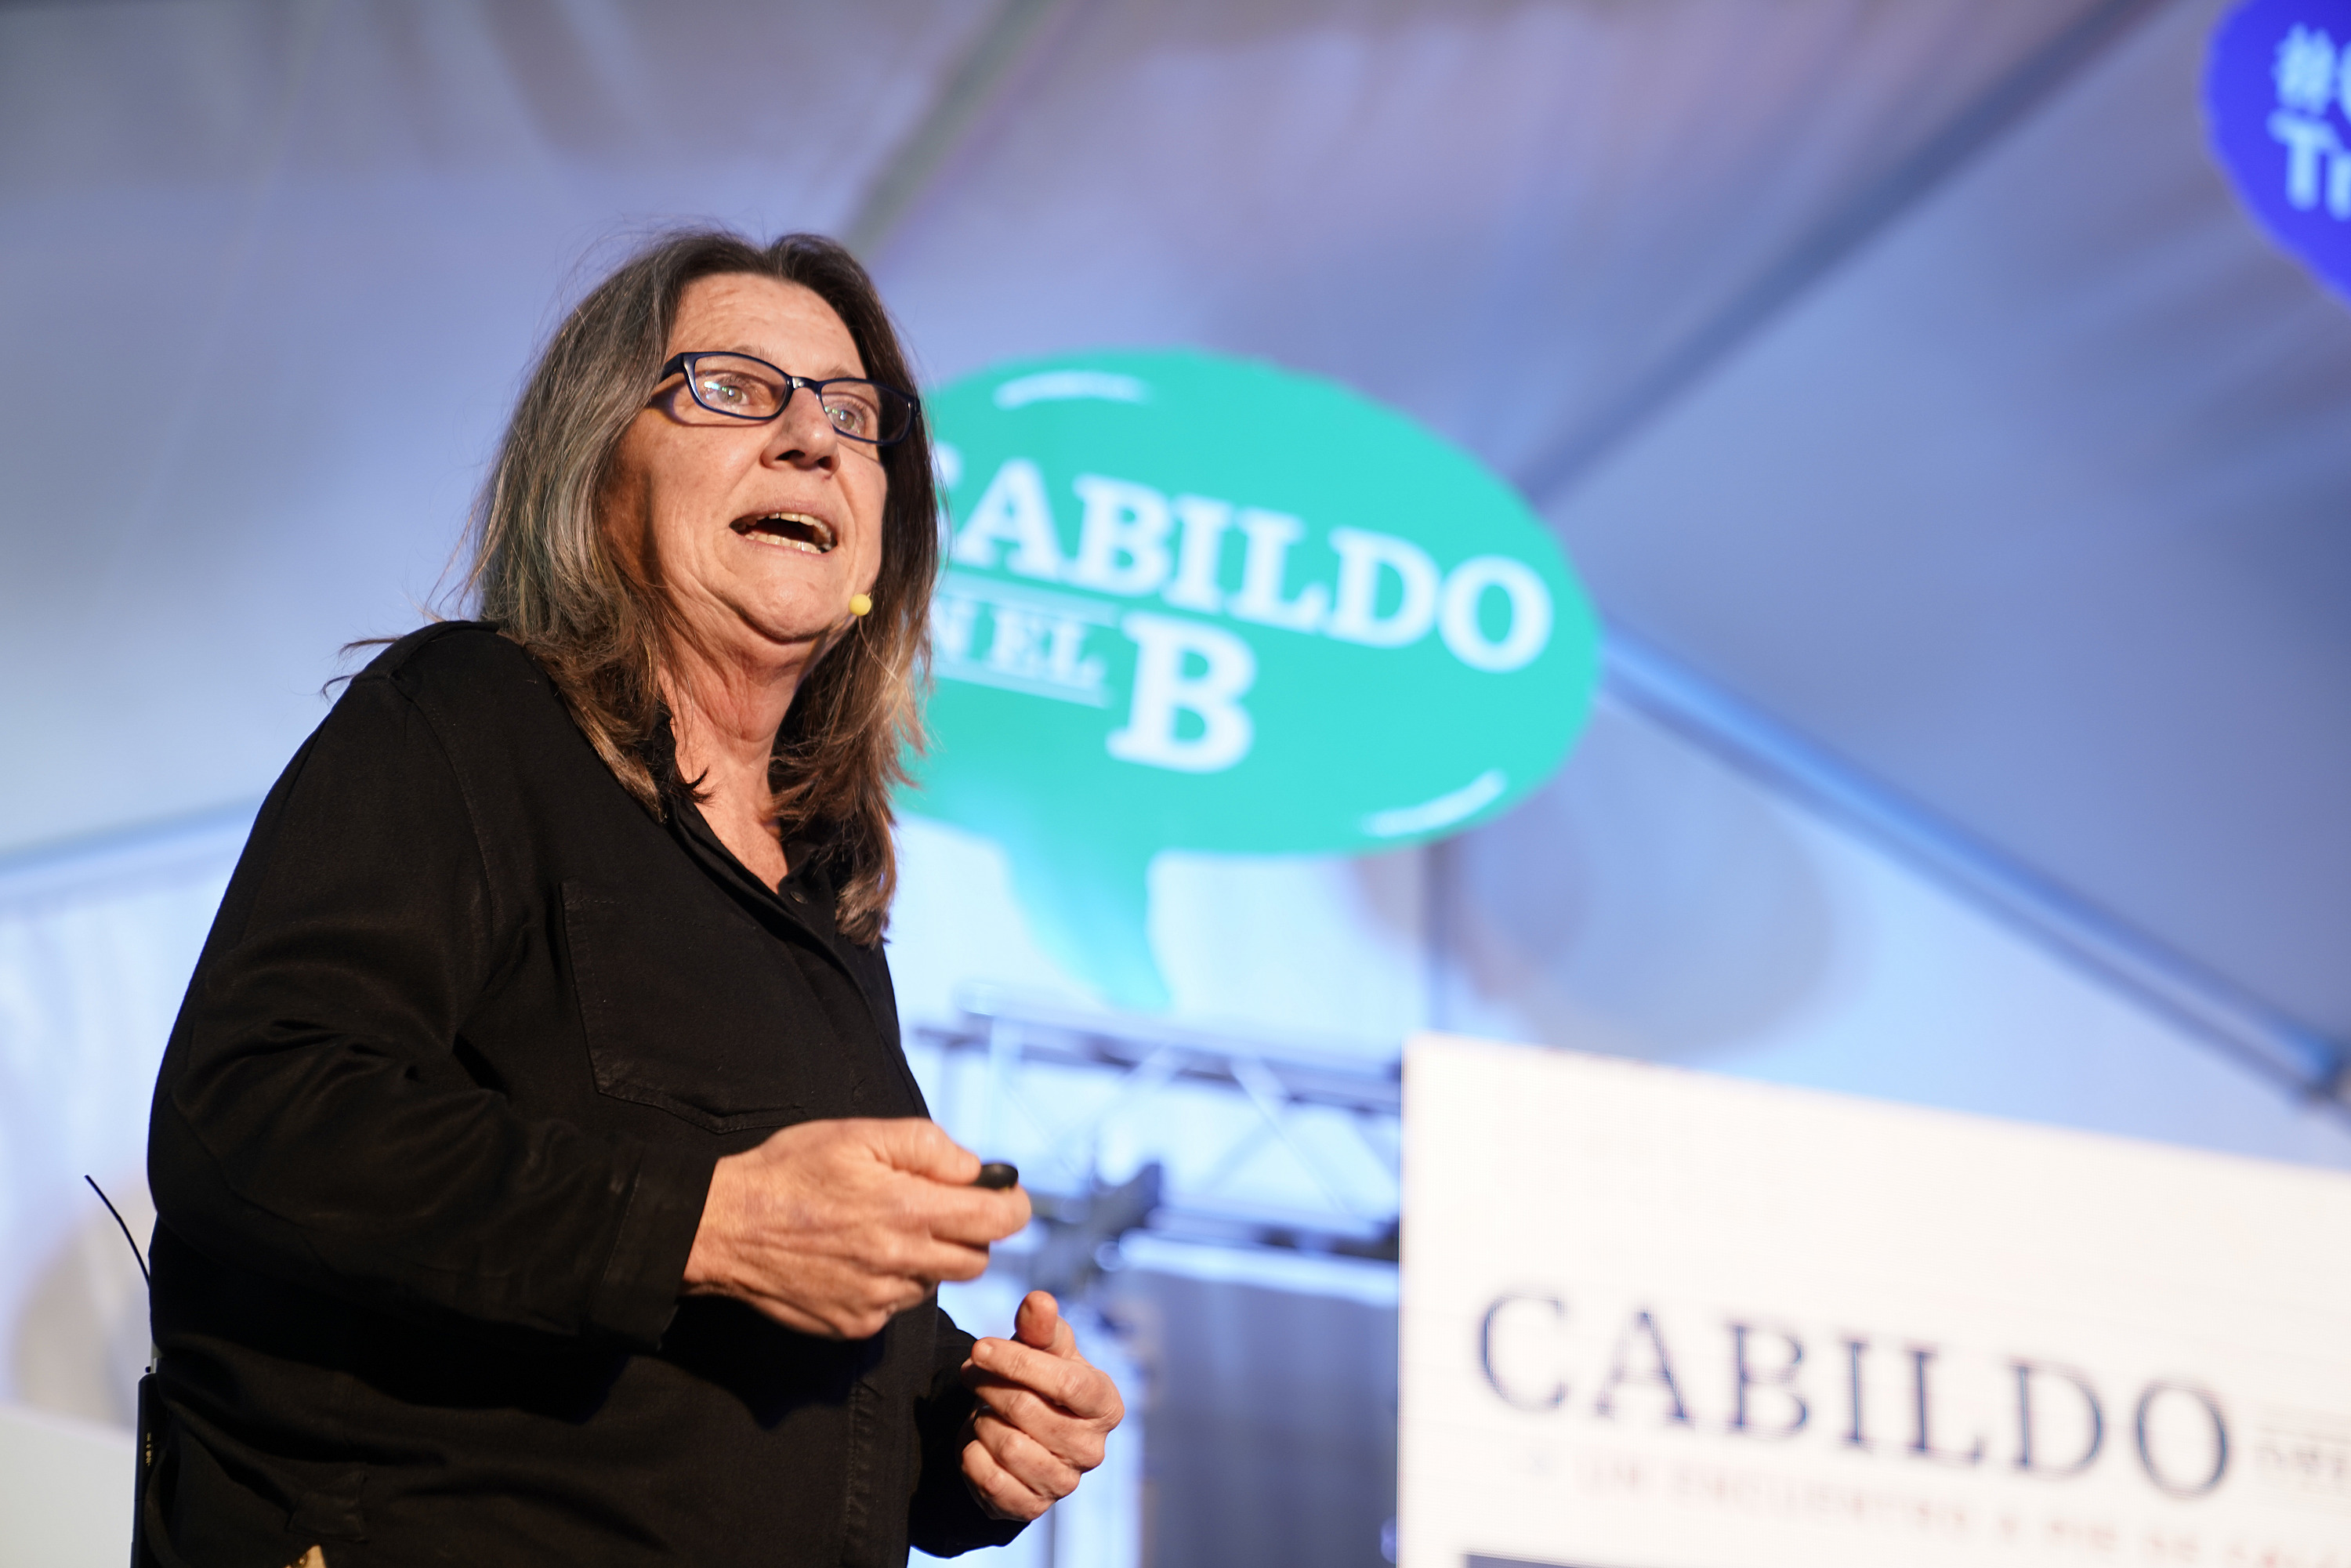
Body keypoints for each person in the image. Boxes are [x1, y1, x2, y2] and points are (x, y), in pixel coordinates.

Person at [142, 230, 1123, 1567]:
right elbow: (254, 1115)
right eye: (734, 388)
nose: (811, 439)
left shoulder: (825, 898)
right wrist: (703, 1224)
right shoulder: (471, 720)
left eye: (853, 415)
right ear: (598, 470)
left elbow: (751, 1385)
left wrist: (968, 1428)